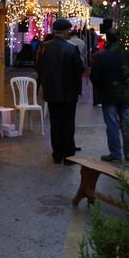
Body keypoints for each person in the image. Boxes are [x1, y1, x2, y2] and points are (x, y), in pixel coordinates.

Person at [35, 18, 84, 164]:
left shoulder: (43, 47)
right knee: (68, 123)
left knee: (55, 123)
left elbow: (38, 68)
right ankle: (68, 155)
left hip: (51, 91)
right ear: (65, 31)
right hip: (69, 92)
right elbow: (79, 69)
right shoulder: (72, 48)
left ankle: (57, 154)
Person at [90, 28, 129, 163]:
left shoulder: (102, 56)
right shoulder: (127, 55)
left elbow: (95, 77)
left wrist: (101, 88)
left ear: (107, 39)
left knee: (112, 125)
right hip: (125, 94)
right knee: (127, 123)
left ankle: (115, 153)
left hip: (108, 94)